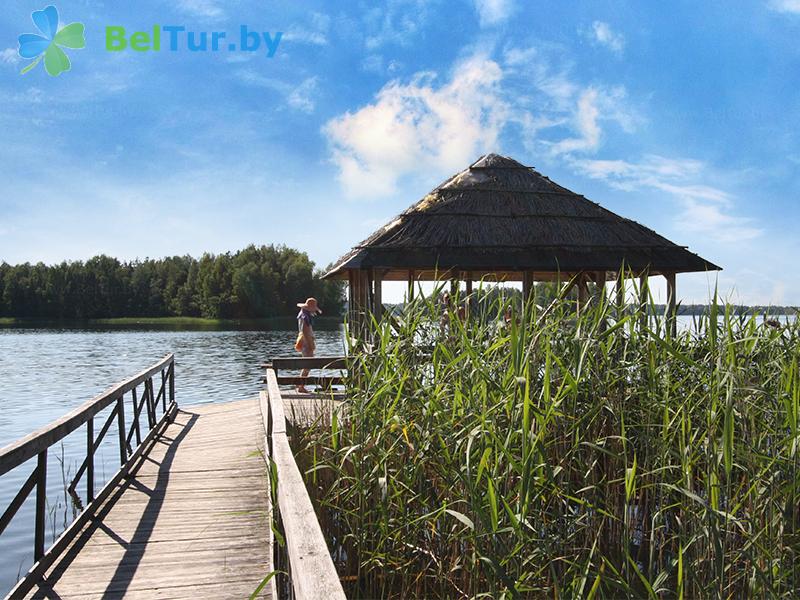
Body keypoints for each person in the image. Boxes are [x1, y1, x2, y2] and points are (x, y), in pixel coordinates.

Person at [295, 297, 321, 393]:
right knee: (308, 365)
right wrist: (311, 344)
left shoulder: (303, 314)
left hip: (304, 341)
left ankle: (300, 384)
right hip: (306, 342)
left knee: (306, 364)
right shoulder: (305, 317)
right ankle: (301, 385)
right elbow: (306, 332)